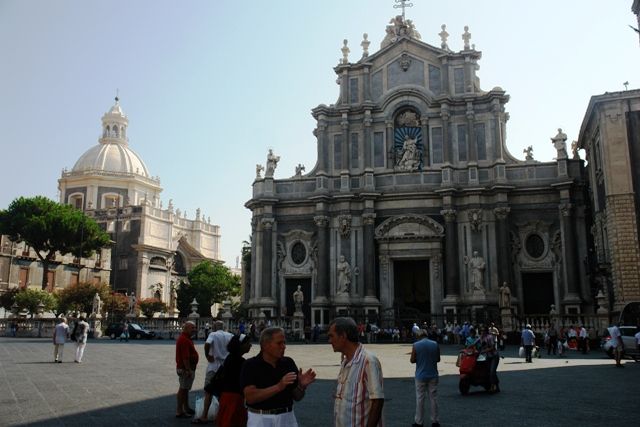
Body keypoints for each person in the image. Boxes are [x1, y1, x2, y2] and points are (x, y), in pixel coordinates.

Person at [240, 327, 316, 427]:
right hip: (260, 418)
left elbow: (297, 397)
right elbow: (250, 397)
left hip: (287, 417)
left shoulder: (288, 363)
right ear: (265, 345)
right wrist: (279, 386)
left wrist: (301, 386)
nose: (284, 347)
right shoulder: (251, 365)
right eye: (279, 343)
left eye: (284, 343)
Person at [328, 317, 384, 427]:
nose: (329, 341)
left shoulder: (368, 361)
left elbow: (377, 400)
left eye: (331, 336)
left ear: (343, 336)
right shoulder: (345, 361)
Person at [193, 334, 252, 425]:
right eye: (248, 343)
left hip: (228, 397)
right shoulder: (239, 361)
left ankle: (204, 415)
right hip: (233, 399)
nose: (250, 345)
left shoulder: (231, 358)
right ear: (240, 345)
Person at [410, 329, 440, 427]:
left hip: (421, 375)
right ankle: (435, 421)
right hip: (433, 374)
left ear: (419, 336)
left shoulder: (416, 345)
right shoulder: (435, 344)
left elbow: (412, 360)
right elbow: (438, 359)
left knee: (420, 399)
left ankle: (419, 422)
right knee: (433, 399)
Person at [175, 321, 199, 418]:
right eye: (192, 328)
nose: (194, 330)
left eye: (194, 327)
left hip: (186, 368)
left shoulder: (186, 338)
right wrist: (188, 370)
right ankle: (179, 410)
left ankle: (186, 407)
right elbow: (185, 357)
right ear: (185, 328)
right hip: (185, 369)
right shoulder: (184, 340)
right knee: (183, 389)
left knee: (185, 389)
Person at [480, 326, 500, 393]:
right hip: (488, 357)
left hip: (494, 356)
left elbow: (493, 347)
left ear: (486, 331)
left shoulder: (490, 337)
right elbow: (476, 343)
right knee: (489, 372)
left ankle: (492, 387)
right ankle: (497, 385)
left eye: (483, 330)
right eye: (481, 330)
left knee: (492, 371)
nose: (482, 332)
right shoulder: (482, 337)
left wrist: (484, 351)